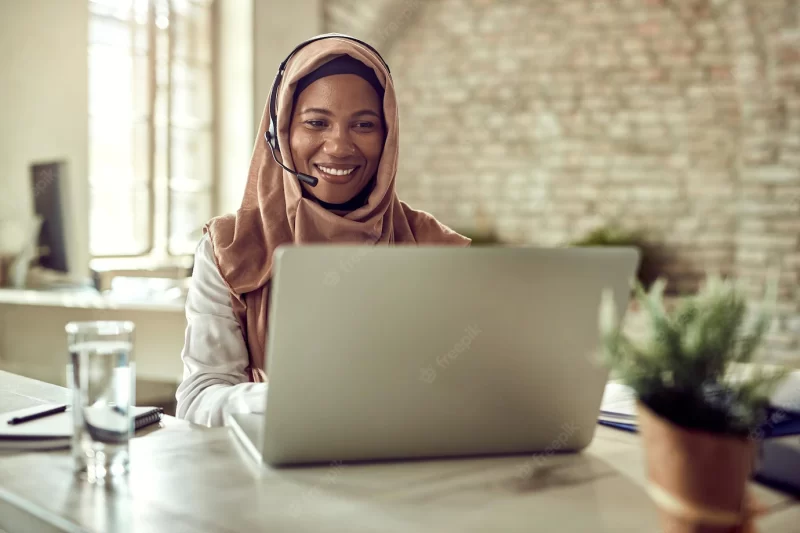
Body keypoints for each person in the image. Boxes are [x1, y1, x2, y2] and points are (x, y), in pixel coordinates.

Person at [175, 35, 470, 426]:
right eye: (316, 123)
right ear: (279, 134)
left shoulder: (435, 246)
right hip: (268, 478)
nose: (338, 146)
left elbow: (470, 390)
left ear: (388, 138)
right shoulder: (229, 247)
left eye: (364, 125)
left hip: (406, 472)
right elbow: (197, 401)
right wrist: (301, 398)